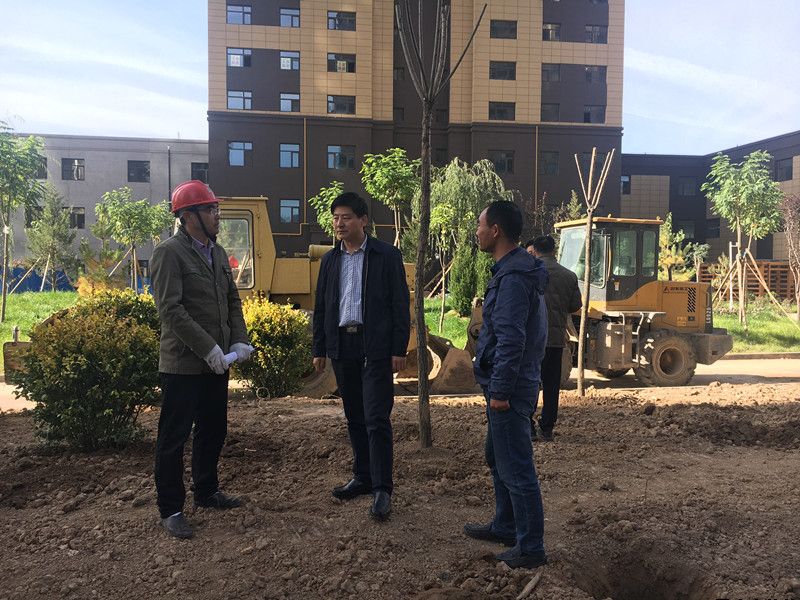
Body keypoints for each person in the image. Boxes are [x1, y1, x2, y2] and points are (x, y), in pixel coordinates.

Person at [151, 180, 254, 539]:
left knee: (213, 429)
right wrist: (208, 348)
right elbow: (171, 310)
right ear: (189, 216)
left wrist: (239, 339)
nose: (217, 216)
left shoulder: (218, 253)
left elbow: (232, 301)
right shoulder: (169, 253)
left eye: (216, 209)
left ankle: (207, 492)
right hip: (183, 365)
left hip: (218, 363)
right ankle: (171, 509)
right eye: (211, 210)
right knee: (173, 438)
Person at [312, 191, 410, 521]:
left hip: (376, 347)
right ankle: (363, 477)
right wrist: (319, 348)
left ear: (363, 220)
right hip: (343, 346)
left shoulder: (386, 255)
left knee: (376, 418)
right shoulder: (330, 260)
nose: (339, 224)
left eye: (346, 217)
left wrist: (399, 348)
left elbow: (400, 304)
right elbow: (322, 306)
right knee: (354, 416)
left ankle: (382, 488)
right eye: (335, 218)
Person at [463, 201, 549, 569]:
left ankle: (530, 548)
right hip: (509, 383)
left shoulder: (514, 278)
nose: (477, 231)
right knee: (497, 457)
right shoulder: (513, 269)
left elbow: (512, 340)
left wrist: (499, 392)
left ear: (495, 230)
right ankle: (506, 524)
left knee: (516, 466)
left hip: (510, 389)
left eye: (480, 225)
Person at [525, 235, 581, 441]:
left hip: (532, 339)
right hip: (556, 339)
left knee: (531, 382)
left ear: (536, 251)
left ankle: (528, 426)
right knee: (551, 385)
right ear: (554, 250)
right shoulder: (569, 275)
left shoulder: (529, 273)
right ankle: (547, 427)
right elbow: (575, 305)